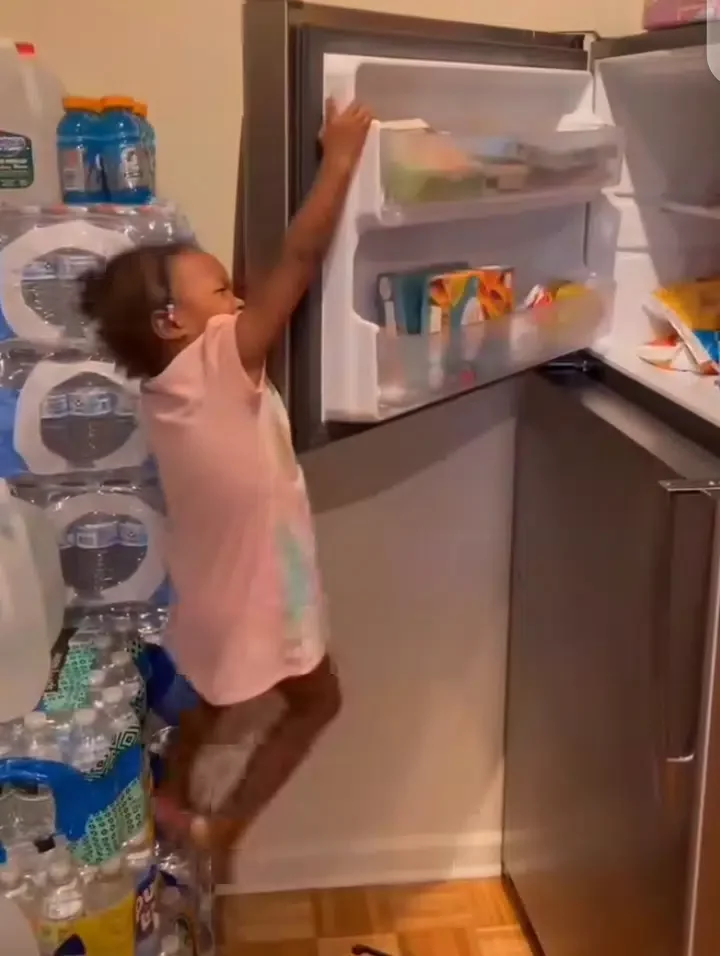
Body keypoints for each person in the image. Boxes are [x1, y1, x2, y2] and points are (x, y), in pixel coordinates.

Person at [78, 99, 373, 885]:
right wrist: (340, 160)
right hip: (262, 583)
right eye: (219, 291)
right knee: (318, 702)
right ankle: (226, 826)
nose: (238, 299)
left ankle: (174, 794)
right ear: (175, 321)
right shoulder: (219, 358)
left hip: (207, 586)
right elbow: (299, 261)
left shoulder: (161, 388)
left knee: (215, 695)